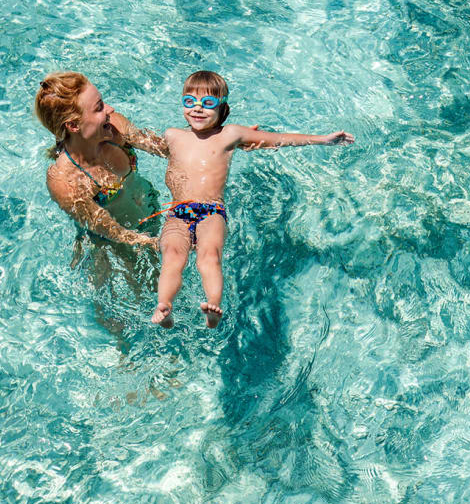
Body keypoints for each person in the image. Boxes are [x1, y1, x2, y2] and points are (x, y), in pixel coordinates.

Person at [150, 70, 355, 328]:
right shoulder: (172, 135)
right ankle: (165, 305)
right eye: (190, 102)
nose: (198, 109)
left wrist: (322, 140)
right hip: (177, 211)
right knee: (172, 254)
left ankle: (213, 305)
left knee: (209, 254)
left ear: (222, 107)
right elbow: (141, 142)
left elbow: (279, 139)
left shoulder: (231, 134)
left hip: (211, 211)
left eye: (208, 103)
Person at [35, 72, 166, 302]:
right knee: (133, 307)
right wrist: (147, 242)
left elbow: (162, 148)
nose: (110, 109)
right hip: (116, 243)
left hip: (151, 211)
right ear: (73, 125)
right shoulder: (65, 181)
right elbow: (106, 228)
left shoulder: (114, 128)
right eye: (98, 108)